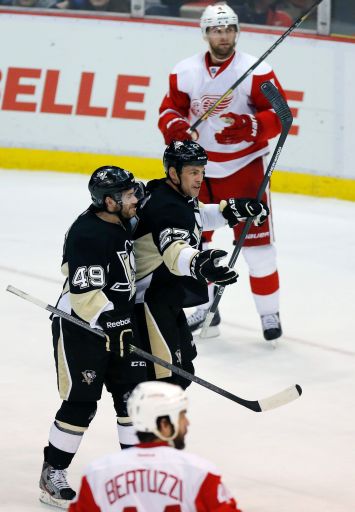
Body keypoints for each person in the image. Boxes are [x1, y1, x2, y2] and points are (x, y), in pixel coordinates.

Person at [158, 2, 287, 341]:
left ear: (236, 32)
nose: (223, 36)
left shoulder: (257, 69)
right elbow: (170, 108)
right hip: (198, 173)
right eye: (217, 29)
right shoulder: (185, 71)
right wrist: (176, 129)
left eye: (229, 29)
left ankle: (269, 313)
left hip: (244, 168)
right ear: (205, 33)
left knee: (259, 251)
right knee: (199, 245)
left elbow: (282, 114)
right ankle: (206, 308)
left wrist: (252, 125)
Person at [39, 166, 148, 509]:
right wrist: (112, 322)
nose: (136, 199)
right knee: (81, 403)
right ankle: (52, 472)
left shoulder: (122, 219)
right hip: (81, 327)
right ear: (109, 201)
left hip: (119, 324)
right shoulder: (88, 234)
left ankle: (135, 475)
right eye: (129, 195)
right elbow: (85, 294)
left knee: (131, 399)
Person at [132, 140, 269, 390]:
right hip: (147, 300)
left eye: (202, 171)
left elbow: (196, 217)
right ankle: (152, 427)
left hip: (164, 293)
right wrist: (199, 264)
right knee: (166, 379)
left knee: (183, 370)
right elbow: (174, 250)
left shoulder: (175, 194)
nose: (199, 178)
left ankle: (165, 425)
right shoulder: (166, 206)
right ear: (174, 173)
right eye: (193, 172)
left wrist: (234, 211)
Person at [68, 380, 243, 511]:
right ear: (165, 424)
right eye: (182, 416)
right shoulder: (200, 472)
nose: (187, 423)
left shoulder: (98, 472)